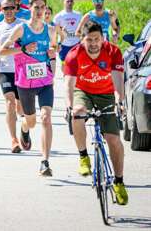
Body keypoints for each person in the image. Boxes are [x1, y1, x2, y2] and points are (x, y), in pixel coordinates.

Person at [64, 20, 128, 205]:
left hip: (106, 94)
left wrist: (119, 101)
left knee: (114, 140)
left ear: (102, 38)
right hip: (83, 92)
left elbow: (118, 80)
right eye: (89, 39)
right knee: (78, 112)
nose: (93, 43)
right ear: (82, 39)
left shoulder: (113, 52)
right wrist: (69, 106)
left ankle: (119, 182)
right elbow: (69, 83)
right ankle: (83, 156)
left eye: (97, 39)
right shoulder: (74, 55)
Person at [0, 0, 57, 176]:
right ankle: (24, 128)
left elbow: (54, 50)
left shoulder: (51, 31)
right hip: (25, 83)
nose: (40, 11)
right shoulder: (21, 29)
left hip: (45, 82)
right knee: (31, 122)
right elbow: (2, 51)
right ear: (30, 8)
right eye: (36, 7)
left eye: (43, 7)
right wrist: (22, 49)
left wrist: (52, 54)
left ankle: (44, 161)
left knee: (46, 118)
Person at [0, 0, 24, 153]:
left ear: (16, 8)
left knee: (21, 108)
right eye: (5, 8)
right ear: (0, 10)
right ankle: (14, 140)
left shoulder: (23, 25)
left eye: (12, 7)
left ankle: (25, 129)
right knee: (10, 103)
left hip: (22, 69)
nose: (9, 10)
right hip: (5, 70)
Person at [53, 0, 82, 72]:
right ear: (64, 2)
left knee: (76, 62)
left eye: (71, 1)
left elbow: (83, 29)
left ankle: (76, 79)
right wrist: (55, 43)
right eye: (67, 1)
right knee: (64, 63)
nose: (69, 3)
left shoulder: (78, 15)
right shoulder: (59, 16)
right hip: (64, 44)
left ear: (73, 3)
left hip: (76, 43)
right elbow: (53, 31)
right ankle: (65, 77)